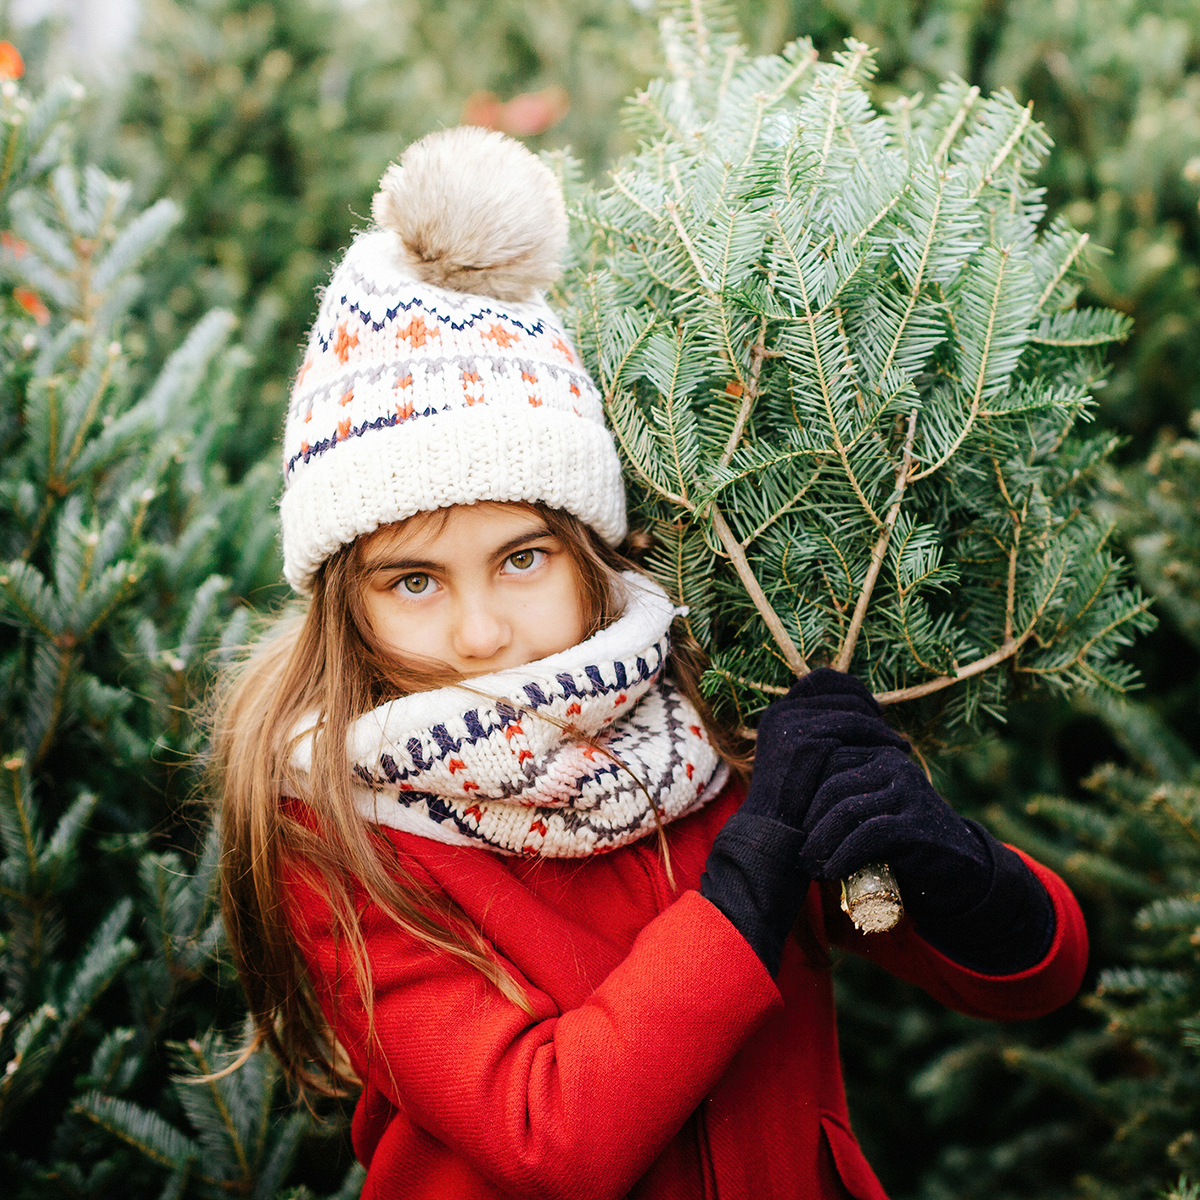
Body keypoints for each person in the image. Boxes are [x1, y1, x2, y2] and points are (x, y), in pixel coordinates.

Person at [213, 125, 1088, 1200]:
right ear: (345, 606)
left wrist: (943, 859)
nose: (481, 633)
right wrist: (747, 887)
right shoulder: (349, 829)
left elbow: (1031, 977)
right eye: (415, 582)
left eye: (522, 558)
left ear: (591, 550)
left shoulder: (711, 721)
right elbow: (551, 1137)